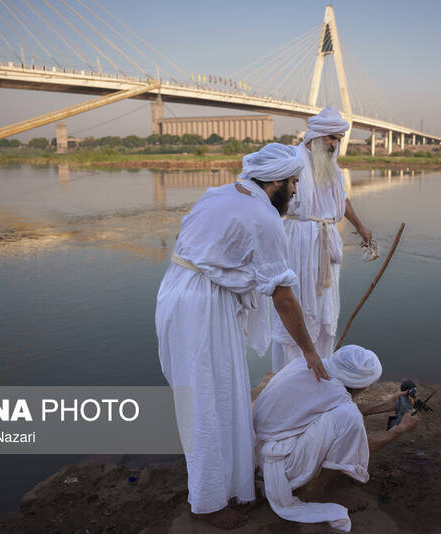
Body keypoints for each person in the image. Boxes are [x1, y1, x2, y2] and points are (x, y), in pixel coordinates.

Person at [155, 143, 329, 530]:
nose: (297, 192)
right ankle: (205, 502)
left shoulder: (217, 193)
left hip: (179, 293)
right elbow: (283, 297)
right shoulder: (262, 217)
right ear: (276, 182)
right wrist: (310, 352)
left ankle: (230, 481)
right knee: (205, 401)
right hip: (201, 308)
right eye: (294, 183)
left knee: (225, 393)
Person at [253, 345, 419, 532]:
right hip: (280, 465)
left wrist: (386, 405)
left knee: (345, 417)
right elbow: (356, 444)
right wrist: (399, 430)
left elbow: (330, 406)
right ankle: (320, 492)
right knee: (349, 420)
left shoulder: (306, 365)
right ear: (363, 385)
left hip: (256, 451)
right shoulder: (342, 404)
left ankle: (319, 486)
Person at [271, 107, 373, 372]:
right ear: (316, 136)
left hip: (326, 243)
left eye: (337, 139)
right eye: (330, 138)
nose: (334, 144)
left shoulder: (332, 168)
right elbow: (269, 195)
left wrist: (360, 226)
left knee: (326, 308)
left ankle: (322, 367)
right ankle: (292, 374)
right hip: (298, 242)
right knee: (299, 305)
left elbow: (342, 199)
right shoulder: (292, 161)